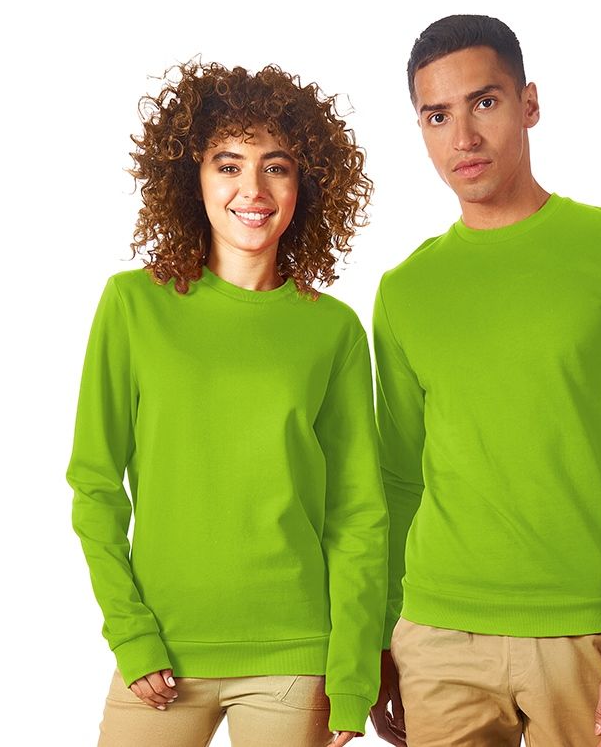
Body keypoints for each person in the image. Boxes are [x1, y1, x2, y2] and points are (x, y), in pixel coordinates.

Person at [369, 15, 601, 747]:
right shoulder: (404, 290)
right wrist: (383, 635)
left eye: (484, 103)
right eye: (437, 116)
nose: (463, 137)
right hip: (436, 636)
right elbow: (397, 479)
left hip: (583, 632)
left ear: (529, 104)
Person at [66, 60, 388, 747]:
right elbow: (94, 486)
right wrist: (131, 632)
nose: (253, 190)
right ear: (193, 178)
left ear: (305, 184)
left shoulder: (331, 329)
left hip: (294, 654)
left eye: (277, 167)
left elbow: (358, 515)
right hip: (161, 653)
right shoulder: (133, 306)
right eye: (228, 165)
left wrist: (353, 674)